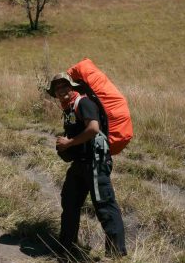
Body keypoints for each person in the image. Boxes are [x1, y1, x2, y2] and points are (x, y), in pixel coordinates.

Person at [47, 72, 127, 258]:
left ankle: (116, 255)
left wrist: (69, 143)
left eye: (64, 86)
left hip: (95, 163)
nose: (61, 90)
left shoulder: (83, 103)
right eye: (57, 88)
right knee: (70, 201)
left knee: (104, 206)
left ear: (72, 86)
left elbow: (93, 128)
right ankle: (66, 248)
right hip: (80, 164)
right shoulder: (69, 108)